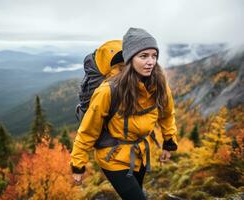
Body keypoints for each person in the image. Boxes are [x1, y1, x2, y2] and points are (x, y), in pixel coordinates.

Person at [70, 27, 178, 200]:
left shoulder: (159, 84)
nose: (151, 61)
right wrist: (78, 164)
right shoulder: (108, 90)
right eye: (143, 56)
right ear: (129, 59)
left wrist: (169, 141)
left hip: (141, 153)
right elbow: (88, 129)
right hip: (113, 156)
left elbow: (167, 113)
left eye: (154, 55)